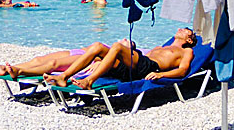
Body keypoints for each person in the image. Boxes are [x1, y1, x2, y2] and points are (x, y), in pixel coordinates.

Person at [44, 28, 197, 89]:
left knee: (117, 47)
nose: (179, 29)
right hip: (136, 66)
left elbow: (182, 71)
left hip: (149, 68)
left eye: (184, 30)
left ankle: (89, 81)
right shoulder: (160, 47)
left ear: (189, 39)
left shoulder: (187, 51)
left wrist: (161, 75)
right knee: (98, 46)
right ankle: (64, 77)